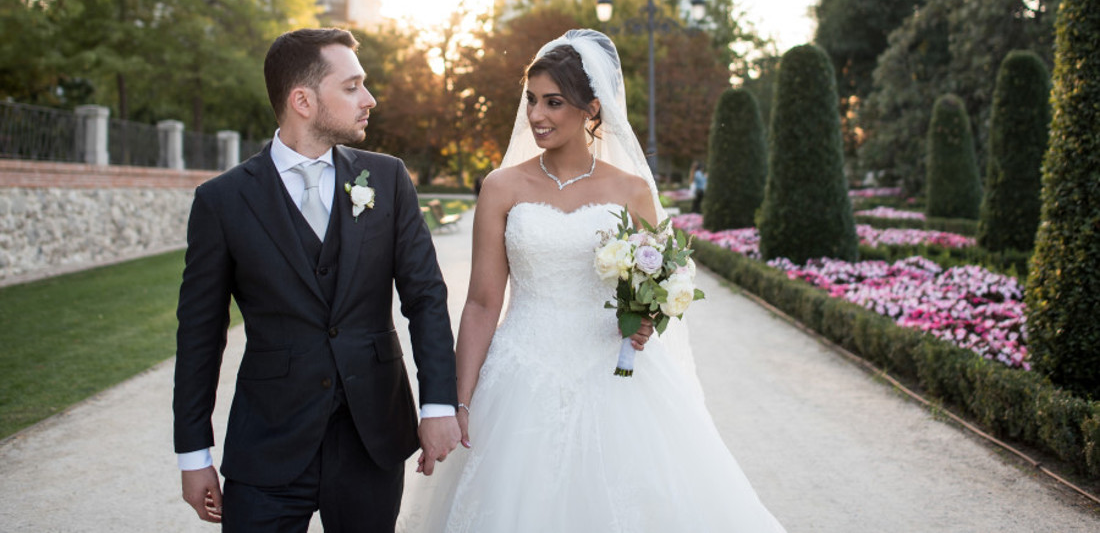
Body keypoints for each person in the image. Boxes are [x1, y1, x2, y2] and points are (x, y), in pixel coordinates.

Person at [406, 30, 785, 531]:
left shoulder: (631, 190)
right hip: (520, 375)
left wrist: (646, 316)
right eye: (531, 100)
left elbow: (656, 278)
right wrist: (461, 400)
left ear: (591, 108)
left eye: (553, 102)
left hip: (614, 375)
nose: (536, 115)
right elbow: (480, 304)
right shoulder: (501, 187)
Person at [173, 28, 461, 533]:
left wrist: (438, 405)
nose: (369, 99)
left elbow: (425, 298)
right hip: (268, 441)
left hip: (372, 438)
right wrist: (193, 455)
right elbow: (200, 334)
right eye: (351, 87)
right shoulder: (222, 201)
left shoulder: (387, 178)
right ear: (302, 101)